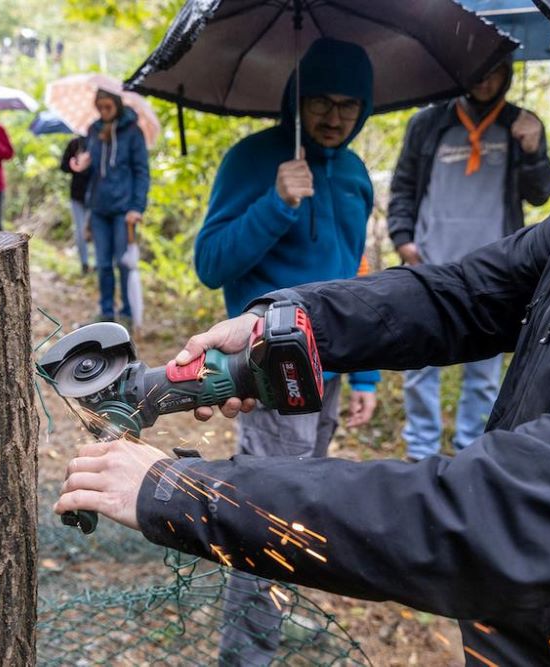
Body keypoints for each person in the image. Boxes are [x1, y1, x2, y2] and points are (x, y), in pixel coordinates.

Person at [54, 1, 550, 664]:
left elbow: (485, 515)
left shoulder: (351, 178)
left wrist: (185, 489)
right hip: (529, 626)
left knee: (285, 490)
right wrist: (289, 319)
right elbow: (463, 295)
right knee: (277, 485)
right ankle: (249, 647)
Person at [194, 37, 380, 665]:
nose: (333, 117)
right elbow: (211, 263)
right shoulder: (252, 161)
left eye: (348, 105)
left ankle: (270, 613)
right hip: (268, 369)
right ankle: (248, 653)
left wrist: (366, 376)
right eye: (321, 101)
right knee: (270, 506)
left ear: (365, 108)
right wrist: (276, 204)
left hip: (332, 369)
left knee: (301, 500)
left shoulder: (355, 176)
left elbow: (356, 276)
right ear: (296, 101)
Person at [388, 57, 550, 462]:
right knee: (419, 365)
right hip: (431, 262)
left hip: (497, 270)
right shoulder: (428, 124)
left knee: (484, 375)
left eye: (496, 71)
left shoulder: (522, 123)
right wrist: (402, 238)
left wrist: (532, 150)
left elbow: (541, 193)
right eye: (478, 70)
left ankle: (469, 452)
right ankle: (421, 452)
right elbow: (403, 187)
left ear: (508, 75)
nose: (486, 79)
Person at [69, 90, 150, 325]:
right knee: (103, 264)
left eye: (108, 107)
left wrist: (137, 207)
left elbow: (141, 172)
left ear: (117, 105)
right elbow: (92, 166)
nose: (103, 112)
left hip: (124, 210)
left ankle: (126, 312)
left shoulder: (133, 132)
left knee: (123, 263)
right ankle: (106, 311)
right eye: (100, 107)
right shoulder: (94, 130)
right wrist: (82, 163)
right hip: (98, 207)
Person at [60, 136, 92, 273]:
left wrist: (88, 163)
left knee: (95, 231)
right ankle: (84, 264)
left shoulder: (98, 143)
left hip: (95, 196)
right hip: (77, 196)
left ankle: (98, 263)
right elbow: (63, 166)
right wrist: (73, 164)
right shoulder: (74, 143)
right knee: (80, 231)